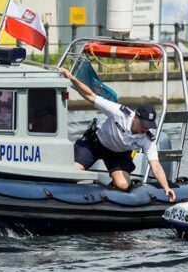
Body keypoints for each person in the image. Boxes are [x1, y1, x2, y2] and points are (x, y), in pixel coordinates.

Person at [59, 67, 177, 201]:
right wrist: (72, 78)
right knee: (73, 173)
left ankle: (109, 193)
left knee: (123, 185)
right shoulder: (119, 113)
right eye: (143, 125)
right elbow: (91, 96)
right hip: (95, 143)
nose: (145, 129)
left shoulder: (147, 139)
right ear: (135, 118)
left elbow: (155, 165)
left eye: (148, 126)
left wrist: (166, 188)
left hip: (118, 153)